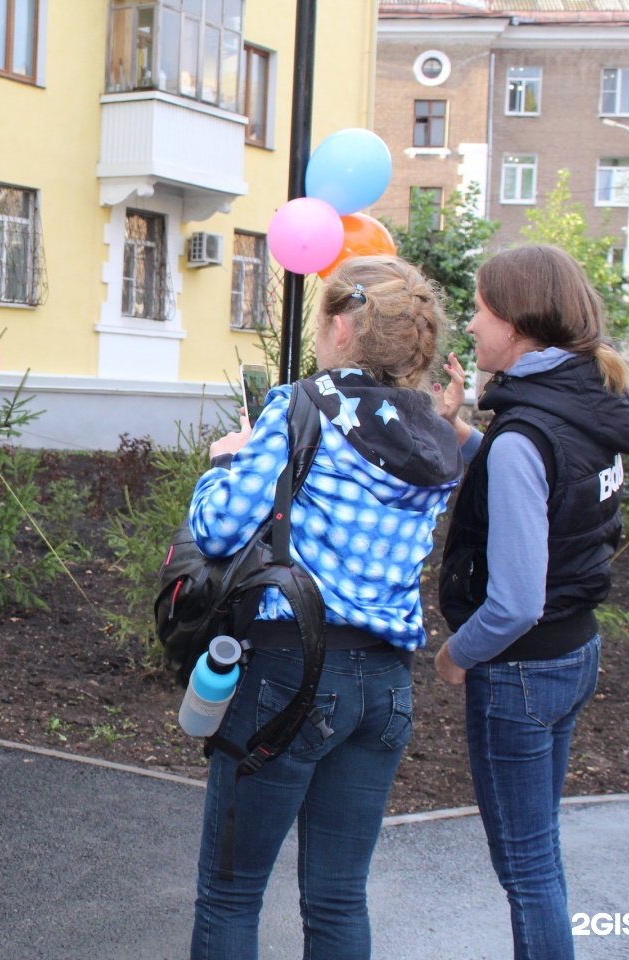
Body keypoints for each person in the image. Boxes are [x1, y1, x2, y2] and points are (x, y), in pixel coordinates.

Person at [187, 256, 463, 960]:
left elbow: (220, 531)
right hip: (386, 690)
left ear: (342, 324)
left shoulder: (302, 405)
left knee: (231, 891)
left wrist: (223, 463)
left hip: (290, 674)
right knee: (339, 896)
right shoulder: (436, 432)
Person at [433, 244, 629, 960]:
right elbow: (545, 486)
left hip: (520, 670)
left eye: (482, 310)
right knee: (540, 856)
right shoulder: (583, 399)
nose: (471, 322)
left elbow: (515, 601)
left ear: (518, 327)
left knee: (527, 872)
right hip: (574, 650)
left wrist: (457, 654)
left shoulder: (527, 432)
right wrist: (460, 429)